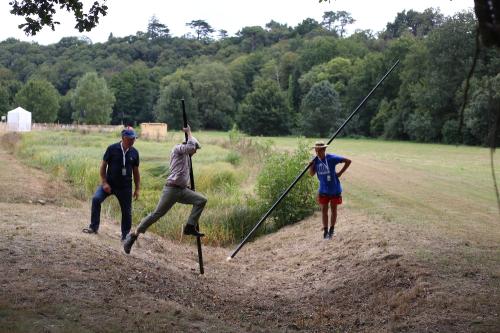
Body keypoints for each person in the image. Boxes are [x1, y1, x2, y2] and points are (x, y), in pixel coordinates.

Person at [123, 126, 207, 254]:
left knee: (201, 200)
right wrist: (189, 132)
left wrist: (187, 187)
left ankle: (190, 226)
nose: (195, 151)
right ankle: (133, 236)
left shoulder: (187, 158)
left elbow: (182, 173)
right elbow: (189, 147)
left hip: (182, 190)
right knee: (156, 214)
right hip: (171, 190)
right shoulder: (177, 149)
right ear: (187, 144)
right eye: (195, 148)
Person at [82, 127, 141, 242]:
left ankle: (125, 236)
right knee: (96, 199)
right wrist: (104, 183)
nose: (133, 141)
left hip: (125, 188)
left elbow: (136, 172)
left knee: (127, 212)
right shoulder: (112, 149)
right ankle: (93, 227)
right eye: (130, 139)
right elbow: (103, 167)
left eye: (134, 139)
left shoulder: (134, 152)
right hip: (110, 184)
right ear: (123, 138)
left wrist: (137, 188)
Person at [309, 141, 351, 240]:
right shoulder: (315, 160)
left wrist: (340, 173)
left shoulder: (331, 158)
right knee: (324, 210)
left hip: (334, 189)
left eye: (318, 150)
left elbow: (348, 161)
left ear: (324, 150)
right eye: (315, 150)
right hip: (323, 190)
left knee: (333, 209)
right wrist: (311, 166)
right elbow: (311, 174)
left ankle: (332, 230)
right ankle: (325, 231)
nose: (316, 152)